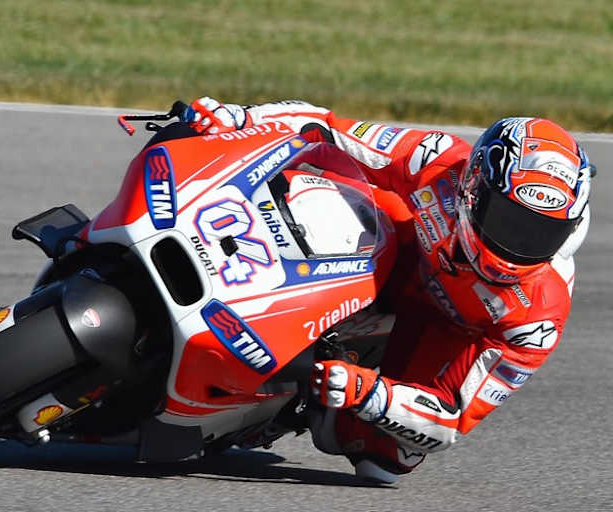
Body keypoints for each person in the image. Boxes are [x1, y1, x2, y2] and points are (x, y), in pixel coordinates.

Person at [181, 97, 593, 484]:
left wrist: (369, 394)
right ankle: (227, 261)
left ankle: (283, 407)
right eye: (508, 220)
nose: (516, 245)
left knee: (387, 457)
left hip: (445, 331)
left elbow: (449, 421)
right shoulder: (436, 160)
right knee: (318, 184)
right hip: (392, 250)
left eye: (541, 233)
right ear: (475, 187)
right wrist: (241, 120)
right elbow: (323, 126)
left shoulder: (540, 316)